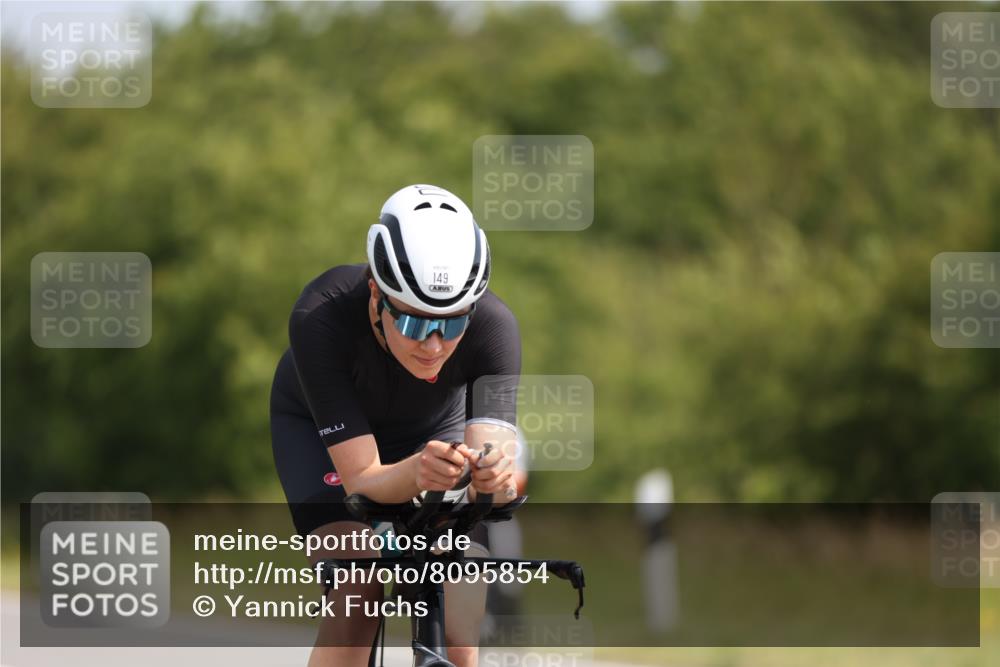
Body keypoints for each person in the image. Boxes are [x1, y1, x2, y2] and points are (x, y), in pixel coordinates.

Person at [270, 184, 522, 667]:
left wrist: (492, 481)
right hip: (323, 437)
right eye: (413, 323)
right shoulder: (318, 316)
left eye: (451, 324)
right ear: (375, 294)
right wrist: (417, 473)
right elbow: (363, 481)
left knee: (459, 630)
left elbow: (493, 476)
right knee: (357, 595)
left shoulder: (494, 328)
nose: (432, 345)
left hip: (432, 437)